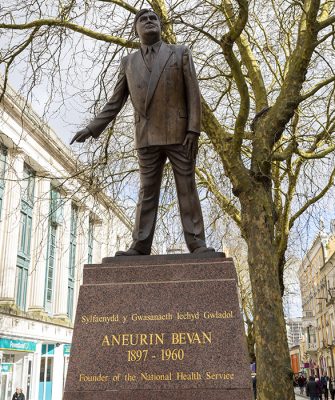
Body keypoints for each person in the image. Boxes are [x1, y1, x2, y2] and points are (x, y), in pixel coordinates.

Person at [70, 9, 214, 256]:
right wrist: (92, 128)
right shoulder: (129, 62)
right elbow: (114, 102)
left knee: (187, 189)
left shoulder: (180, 53)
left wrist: (194, 129)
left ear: (160, 26)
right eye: (143, 20)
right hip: (146, 136)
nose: (149, 21)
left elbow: (194, 95)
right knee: (147, 191)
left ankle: (197, 243)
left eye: (153, 19)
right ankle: (140, 244)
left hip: (180, 133)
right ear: (136, 30)